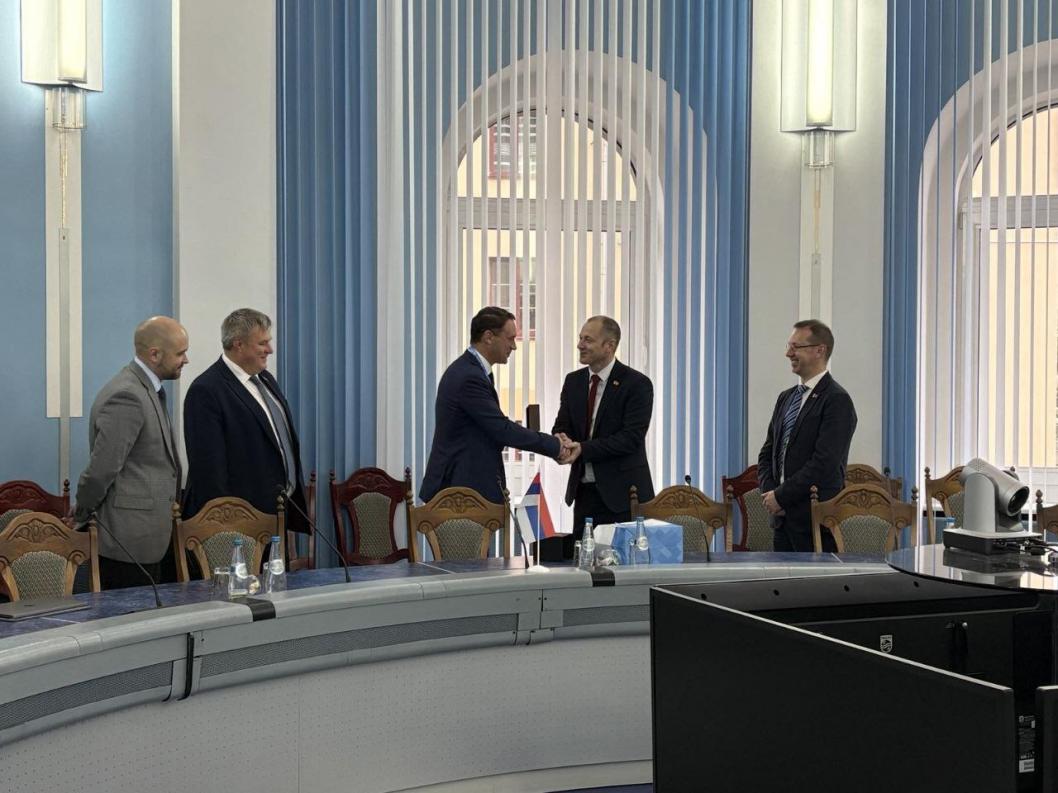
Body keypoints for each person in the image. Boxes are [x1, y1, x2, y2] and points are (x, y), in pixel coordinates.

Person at [74, 316, 189, 590]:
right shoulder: (128, 395)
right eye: (180, 353)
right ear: (154, 354)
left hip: (148, 538)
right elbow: (101, 470)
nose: (186, 360)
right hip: (126, 543)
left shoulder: (147, 389)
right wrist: (82, 512)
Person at [420, 306, 569, 504]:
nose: (514, 347)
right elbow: (501, 429)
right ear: (489, 337)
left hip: (469, 489)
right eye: (510, 339)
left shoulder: (473, 371)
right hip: (459, 493)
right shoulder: (469, 377)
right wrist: (554, 445)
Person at [182, 308, 308, 529]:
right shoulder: (206, 390)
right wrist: (226, 529)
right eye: (262, 343)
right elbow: (209, 471)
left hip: (279, 513)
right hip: (240, 524)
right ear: (238, 344)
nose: (270, 350)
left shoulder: (266, 379)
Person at [552, 316, 654, 557]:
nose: (580, 345)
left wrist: (583, 449)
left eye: (588, 340)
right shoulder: (574, 382)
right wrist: (561, 443)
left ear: (609, 346)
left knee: (624, 564)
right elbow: (562, 425)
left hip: (624, 496)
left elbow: (631, 438)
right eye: (580, 338)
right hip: (584, 493)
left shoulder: (637, 384)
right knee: (583, 563)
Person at [757, 319, 857, 552]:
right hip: (782, 522)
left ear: (819, 350)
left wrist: (782, 496)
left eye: (796, 347)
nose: (788, 353)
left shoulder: (836, 400)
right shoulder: (786, 398)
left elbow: (824, 462)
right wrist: (771, 496)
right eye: (788, 346)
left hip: (814, 523)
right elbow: (767, 453)